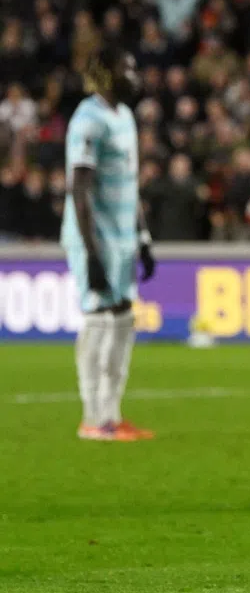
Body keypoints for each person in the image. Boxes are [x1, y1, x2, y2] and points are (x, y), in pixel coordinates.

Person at [62, 45, 157, 442]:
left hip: (122, 238)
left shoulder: (126, 116)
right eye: (127, 66)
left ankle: (112, 415)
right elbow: (79, 189)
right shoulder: (88, 118)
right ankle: (93, 418)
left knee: (122, 319)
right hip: (95, 239)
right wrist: (91, 252)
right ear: (106, 73)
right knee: (100, 318)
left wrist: (144, 236)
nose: (135, 74)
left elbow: (130, 184)